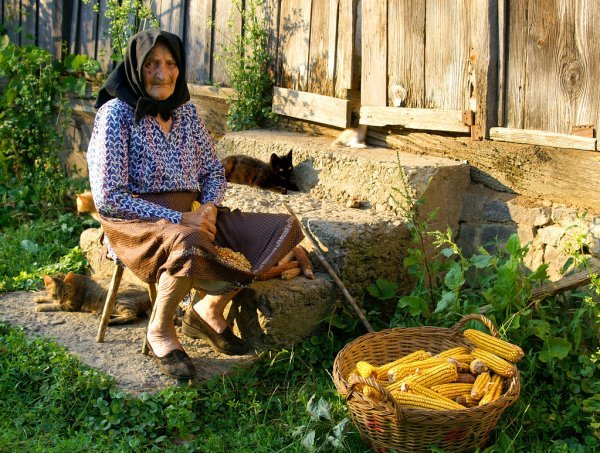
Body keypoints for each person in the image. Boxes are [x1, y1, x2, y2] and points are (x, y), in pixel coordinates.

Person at [87, 29, 303, 380]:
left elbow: (214, 171)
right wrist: (178, 217)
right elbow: (110, 197)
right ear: (136, 67)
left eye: (171, 63)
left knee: (281, 228)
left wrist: (210, 208)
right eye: (152, 64)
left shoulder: (185, 113)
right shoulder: (115, 115)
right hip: (135, 223)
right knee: (190, 242)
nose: (163, 73)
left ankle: (207, 308)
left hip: (193, 217)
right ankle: (160, 330)